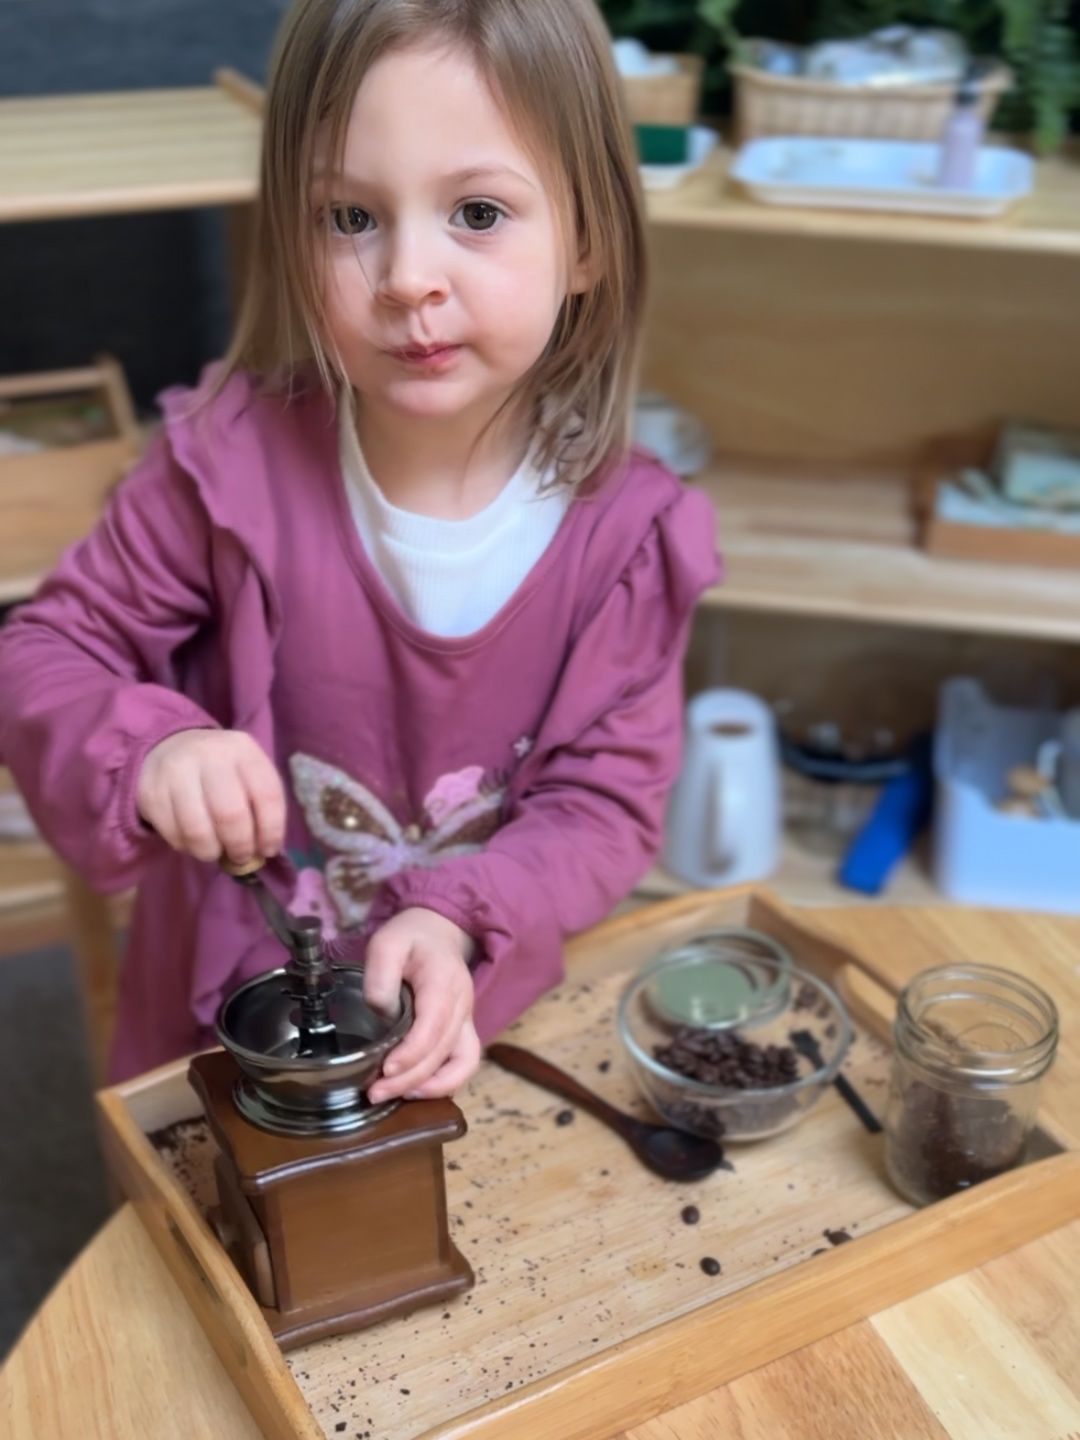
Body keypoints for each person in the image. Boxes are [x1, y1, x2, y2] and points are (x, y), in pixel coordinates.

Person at [0, 0, 718, 1092]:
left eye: (478, 212)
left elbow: (603, 806)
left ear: (591, 246)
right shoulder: (218, 467)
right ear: (294, 234)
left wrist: (462, 919)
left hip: (466, 1008)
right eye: (350, 219)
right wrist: (151, 746)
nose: (406, 278)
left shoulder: (629, 538)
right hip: (224, 1009)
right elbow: (41, 655)